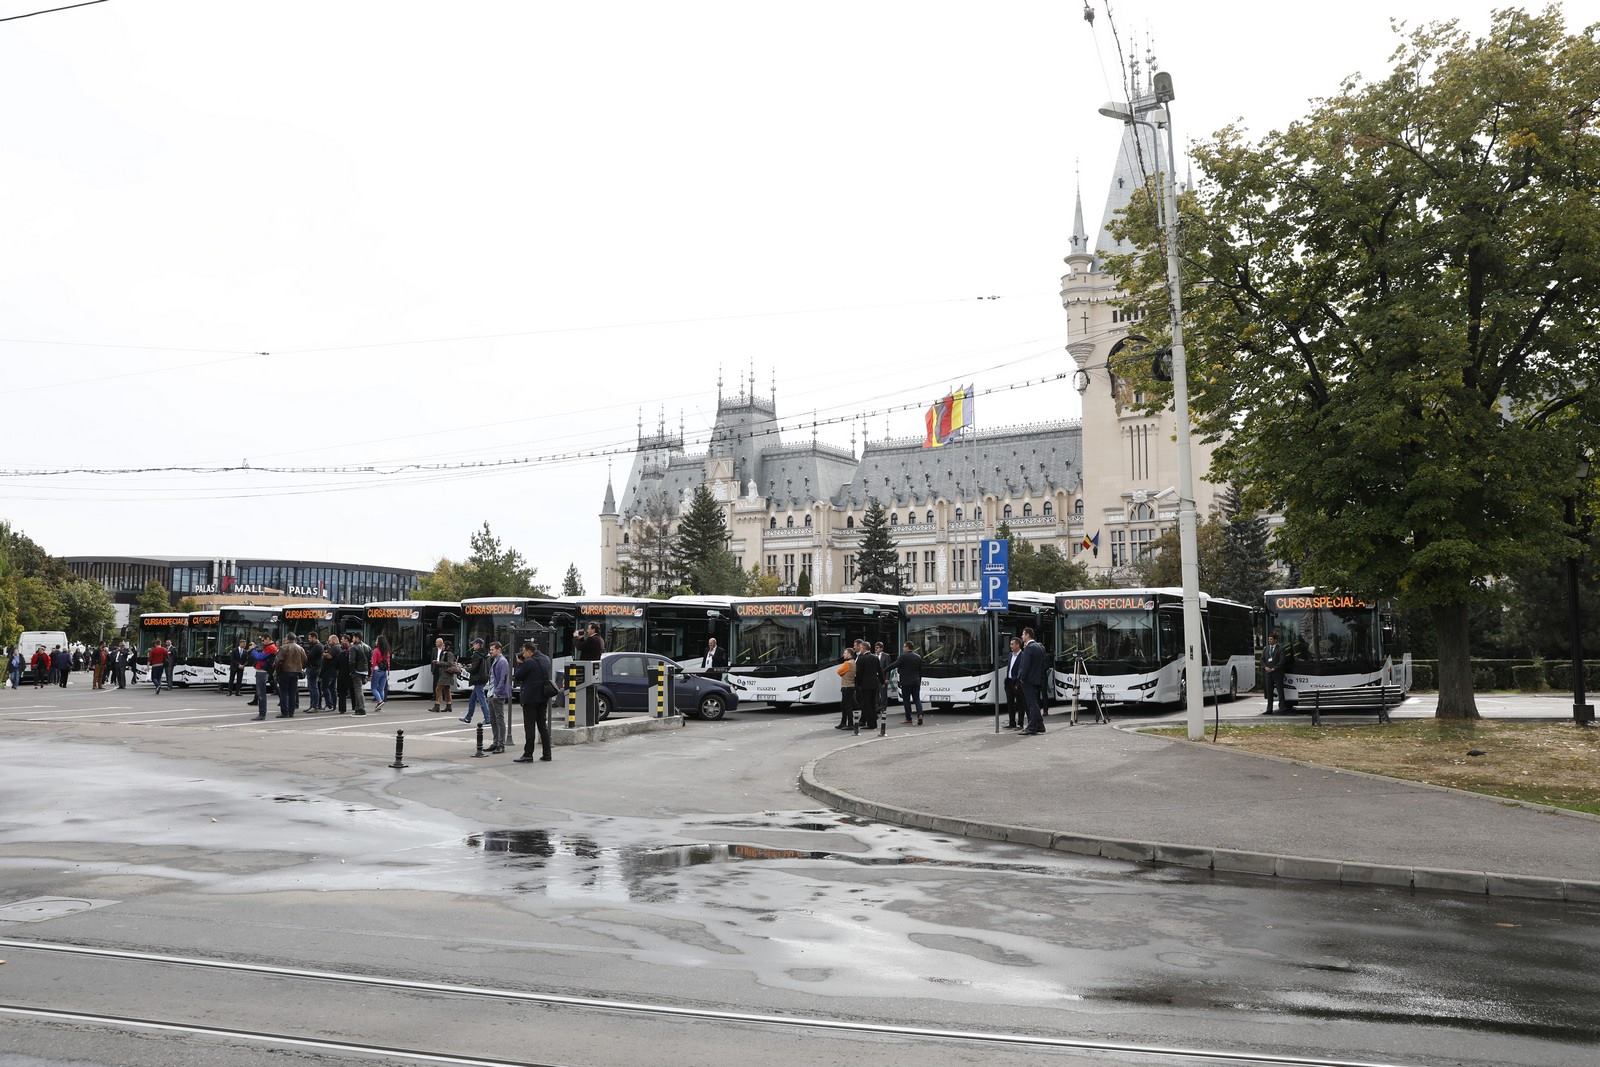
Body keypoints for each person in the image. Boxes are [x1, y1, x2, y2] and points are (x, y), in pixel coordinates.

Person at [511, 639, 553, 762]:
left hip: (530, 698)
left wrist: (519, 663)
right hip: (543, 697)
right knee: (542, 726)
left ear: (529, 651)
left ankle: (528, 754)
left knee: (529, 727)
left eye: (524, 652)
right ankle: (547, 754)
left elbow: (518, 676)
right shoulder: (546, 659)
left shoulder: (529, 662)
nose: (523, 654)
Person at [1018, 627, 1050, 735]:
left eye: (1023, 634)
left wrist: (1022, 678)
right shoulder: (1040, 647)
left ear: (1027, 635)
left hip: (1029, 680)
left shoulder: (1029, 648)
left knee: (1032, 704)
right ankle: (1040, 725)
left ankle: (1032, 727)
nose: (1022, 637)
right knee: (1034, 702)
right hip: (1037, 679)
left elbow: (1025, 665)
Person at [888, 641, 924, 725]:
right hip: (916, 682)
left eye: (904, 647)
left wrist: (884, 670)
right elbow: (920, 671)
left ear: (908, 647)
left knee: (906, 701)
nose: (903, 648)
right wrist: (919, 681)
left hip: (906, 682)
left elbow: (894, 665)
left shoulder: (903, 657)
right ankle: (920, 715)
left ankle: (909, 718)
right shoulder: (918, 657)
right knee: (917, 699)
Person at [853, 639, 884, 731]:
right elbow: (880, 670)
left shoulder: (861, 658)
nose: (860, 649)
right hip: (874, 684)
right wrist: (882, 682)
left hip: (865, 685)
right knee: (873, 703)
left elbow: (858, 673)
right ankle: (873, 722)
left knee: (867, 704)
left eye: (861, 648)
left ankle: (871, 724)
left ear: (864, 648)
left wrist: (857, 684)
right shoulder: (875, 657)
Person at [486, 640, 510, 753]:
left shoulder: (502, 661)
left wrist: (496, 692)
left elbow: (503, 679)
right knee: (493, 720)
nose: (490, 651)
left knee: (499, 720)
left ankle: (501, 744)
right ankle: (495, 742)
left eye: (492, 649)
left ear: (499, 650)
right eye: (490, 650)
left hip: (497, 695)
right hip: (491, 694)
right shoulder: (496, 660)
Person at [460, 637, 490, 724]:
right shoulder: (485, 654)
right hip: (484, 677)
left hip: (478, 679)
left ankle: (488, 718)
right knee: (472, 699)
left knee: (482, 700)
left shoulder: (476, 654)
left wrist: (464, 668)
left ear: (478, 644)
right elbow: (481, 666)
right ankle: (468, 717)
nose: (472, 645)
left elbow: (474, 669)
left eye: (474, 644)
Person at [275, 634, 306, 717]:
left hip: (285, 672)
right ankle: (291, 712)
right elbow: (305, 660)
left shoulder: (284, 648)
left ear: (287, 639)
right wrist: (300, 667)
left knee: (284, 692)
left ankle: (285, 712)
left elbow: (278, 661)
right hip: (295, 672)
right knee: (292, 692)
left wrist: (277, 671)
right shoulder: (300, 648)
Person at [429, 637, 456, 713]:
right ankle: (448, 706)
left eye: (444, 646)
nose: (443, 647)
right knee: (446, 690)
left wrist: (438, 663)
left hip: (446, 674)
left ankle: (437, 706)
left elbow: (450, 663)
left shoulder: (449, 653)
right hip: (445, 674)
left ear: (447, 646)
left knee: (438, 689)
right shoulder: (446, 653)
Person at [1263, 630, 1287, 715]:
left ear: (1275, 640)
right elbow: (1262, 660)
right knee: (1269, 692)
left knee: (1280, 691)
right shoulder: (1266, 649)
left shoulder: (1280, 649)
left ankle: (1282, 708)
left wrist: (1274, 668)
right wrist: (1265, 667)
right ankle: (1269, 709)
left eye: (1271, 639)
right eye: (1269, 639)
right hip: (1268, 674)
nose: (1269, 641)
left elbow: (1282, 661)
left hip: (1277, 673)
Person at [1004, 636, 1025, 729]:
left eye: (1012, 644)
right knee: (1010, 703)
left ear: (1018, 645)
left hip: (1017, 682)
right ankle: (1012, 722)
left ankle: (1020, 724)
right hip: (1009, 682)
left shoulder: (1023, 655)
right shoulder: (1010, 655)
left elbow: (1022, 670)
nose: (1010, 646)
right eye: (1010, 644)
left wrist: (1018, 682)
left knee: (1020, 704)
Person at [248, 637, 272, 719]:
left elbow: (259, 657)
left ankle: (262, 714)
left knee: (261, 694)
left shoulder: (270, 648)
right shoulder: (268, 647)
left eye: (263, 640)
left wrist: (253, 649)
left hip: (262, 672)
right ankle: (261, 713)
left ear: (268, 639)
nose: (262, 642)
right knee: (260, 693)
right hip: (262, 671)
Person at [348, 633, 371, 715]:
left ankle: (361, 708)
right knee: (359, 689)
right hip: (364, 671)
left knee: (358, 690)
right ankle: (358, 708)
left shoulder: (353, 648)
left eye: (353, 638)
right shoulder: (367, 647)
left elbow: (351, 661)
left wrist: (352, 671)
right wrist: (368, 673)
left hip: (357, 670)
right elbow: (369, 661)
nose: (352, 639)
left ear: (357, 638)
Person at [834, 649, 857, 730]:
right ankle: (843, 723)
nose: (843, 654)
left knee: (847, 706)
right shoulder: (853, 662)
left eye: (845, 653)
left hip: (846, 686)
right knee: (845, 705)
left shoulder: (847, 663)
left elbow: (839, 671)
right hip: (850, 686)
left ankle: (850, 724)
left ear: (850, 654)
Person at [318, 636, 339, 712]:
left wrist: (323, 654)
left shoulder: (335, 648)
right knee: (332, 689)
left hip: (329, 672)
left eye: (329, 640)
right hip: (334, 671)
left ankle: (329, 705)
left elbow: (329, 656)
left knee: (325, 688)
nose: (328, 642)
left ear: (334, 640)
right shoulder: (337, 647)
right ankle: (333, 705)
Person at [303, 633, 324, 711]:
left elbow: (309, 656)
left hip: (314, 668)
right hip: (313, 668)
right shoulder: (316, 646)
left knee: (313, 687)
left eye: (310, 638)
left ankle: (315, 706)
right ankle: (312, 705)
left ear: (315, 638)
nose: (309, 640)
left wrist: (306, 652)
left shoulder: (318, 646)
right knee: (312, 687)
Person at [370, 635, 390, 711]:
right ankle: (380, 704)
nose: (375, 642)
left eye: (376, 640)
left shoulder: (376, 651)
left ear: (379, 642)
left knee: (374, 688)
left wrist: (371, 673)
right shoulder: (386, 651)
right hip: (384, 672)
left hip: (377, 671)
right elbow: (388, 662)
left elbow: (373, 662)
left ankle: (380, 701)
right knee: (381, 689)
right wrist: (388, 672)